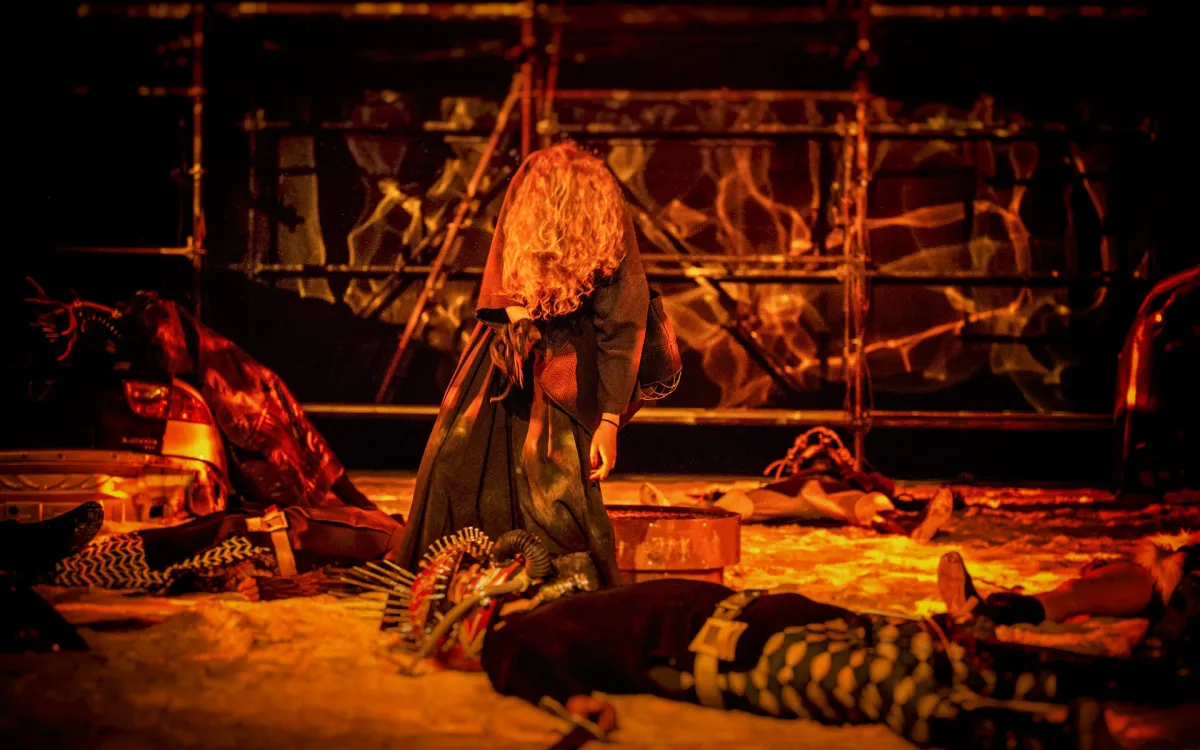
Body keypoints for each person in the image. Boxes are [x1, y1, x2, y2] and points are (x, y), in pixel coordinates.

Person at [347, 527, 1198, 750]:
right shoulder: (515, 642)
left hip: (751, 626)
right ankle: (1099, 721)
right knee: (902, 677)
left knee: (920, 661)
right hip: (741, 640)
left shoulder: (534, 617)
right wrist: (578, 703)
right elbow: (546, 680)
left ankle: (1114, 696)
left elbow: (544, 649)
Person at [395, 142, 652, 588]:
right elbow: (501, 263)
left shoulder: (608, 223)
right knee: (457, 461)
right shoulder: (529, 191)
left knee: (555, 485)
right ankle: (465, 574)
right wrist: (518, 321)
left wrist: (609, 419)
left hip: (568, 366)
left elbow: (624, 321)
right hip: (509, 352)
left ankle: (555, 577)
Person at [642, 427, 955, 542]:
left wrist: (855, 479)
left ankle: (913, 525)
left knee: (877, 504)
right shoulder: (800, 476)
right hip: (785, 498)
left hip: (831, 498)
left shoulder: (843, 479)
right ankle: (674, 516)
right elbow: (808, 492)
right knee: (735, 502)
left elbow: (884, 490)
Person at [937, 537, 1200, 662]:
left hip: (1180, 591)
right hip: (1173, 570)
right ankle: (995, 612)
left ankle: (995, 614)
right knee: (1077, 592)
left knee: (1078, 595)